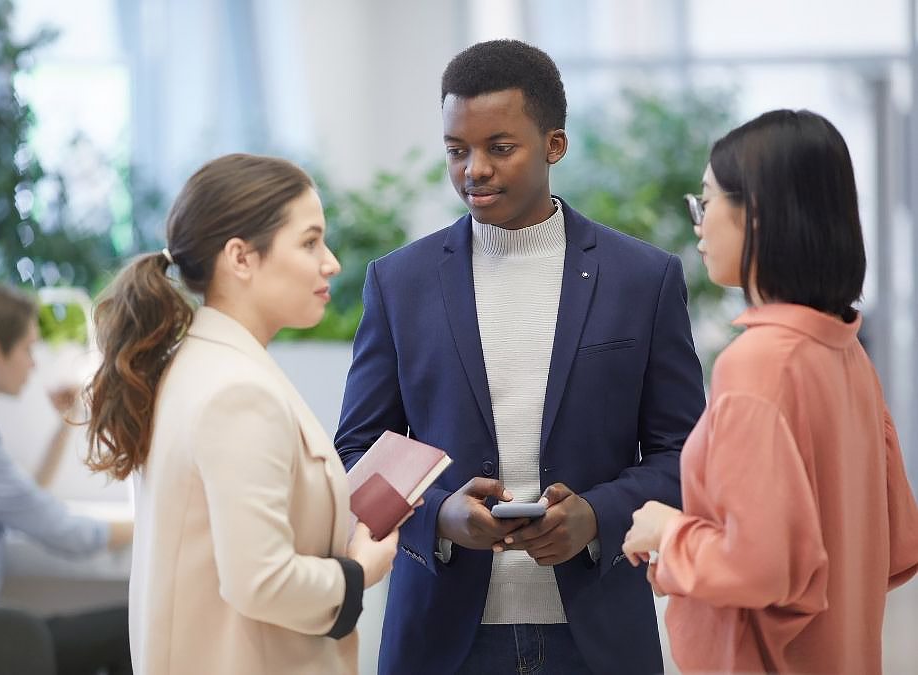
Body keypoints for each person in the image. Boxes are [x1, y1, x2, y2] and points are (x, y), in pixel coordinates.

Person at [335, 40, 705, 674]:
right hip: (443, 639)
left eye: (498, 148)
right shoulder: (400, 283)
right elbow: (359, 449)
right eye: (457, 151)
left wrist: (596, 517)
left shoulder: (641, 278)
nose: (473, 169)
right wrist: (439, 514)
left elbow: (687, 454)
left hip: (596, 636)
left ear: (554, 146)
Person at [84, 153, 406, 675]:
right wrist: (359, 571)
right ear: (240, 258)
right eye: (309, 242)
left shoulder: (198, 363)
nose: (331, 262)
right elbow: (261, 580)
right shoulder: (236, 390)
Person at [622, 109, 918, 673]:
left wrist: (669, 530)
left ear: (754, 213)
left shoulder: (757, 364)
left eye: (706, 203)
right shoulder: (846, 353)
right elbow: (898, 547)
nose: (698, 224)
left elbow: (760, 568)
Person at [0, 281, 133, 674]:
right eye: (27, 348)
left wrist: (63, 425)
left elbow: (24, 500)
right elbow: (64, 533)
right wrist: (155, 524)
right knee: (129, 628)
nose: (33, 363)